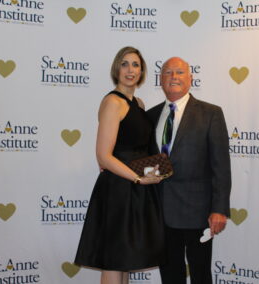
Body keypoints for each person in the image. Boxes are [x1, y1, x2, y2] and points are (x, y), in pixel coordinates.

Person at [74, 46, 165, 284]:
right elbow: (103, 156)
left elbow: (139, 150)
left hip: (136, 191)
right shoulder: (113, 102)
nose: (130, 69)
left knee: (125, 262)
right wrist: (137, 178)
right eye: (124, 64)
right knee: (115, 262)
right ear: (116, 68)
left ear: (142, 71)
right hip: (118, 189)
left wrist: (152, 171)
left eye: (135, 64)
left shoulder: (140, 104)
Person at [147, 57, 232, 284]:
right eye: (167, 73)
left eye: (179, 72)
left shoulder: (211, 113)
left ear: (190, 79)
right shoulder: (150, 116)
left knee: (201, 275)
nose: (173, 77)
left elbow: (221, 166)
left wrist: (220, 209)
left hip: (199, 213)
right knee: (170, 276)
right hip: (160, 213)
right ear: (161, 79)